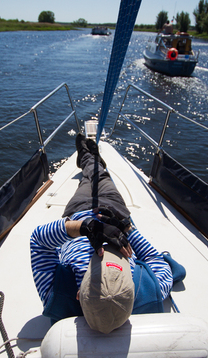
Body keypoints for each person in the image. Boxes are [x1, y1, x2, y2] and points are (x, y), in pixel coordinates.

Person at [30, 133, 173, 334]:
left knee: (86, 182)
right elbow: (153, 258)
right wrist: (125, 227)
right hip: (114, 209)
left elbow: (38, 240)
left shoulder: (55, 293)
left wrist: (85, 226)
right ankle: (93, 157)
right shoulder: (150, 287)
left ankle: (86, 155)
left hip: (78, 212)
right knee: (100, 176)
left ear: (78, 294)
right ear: (133, 292)